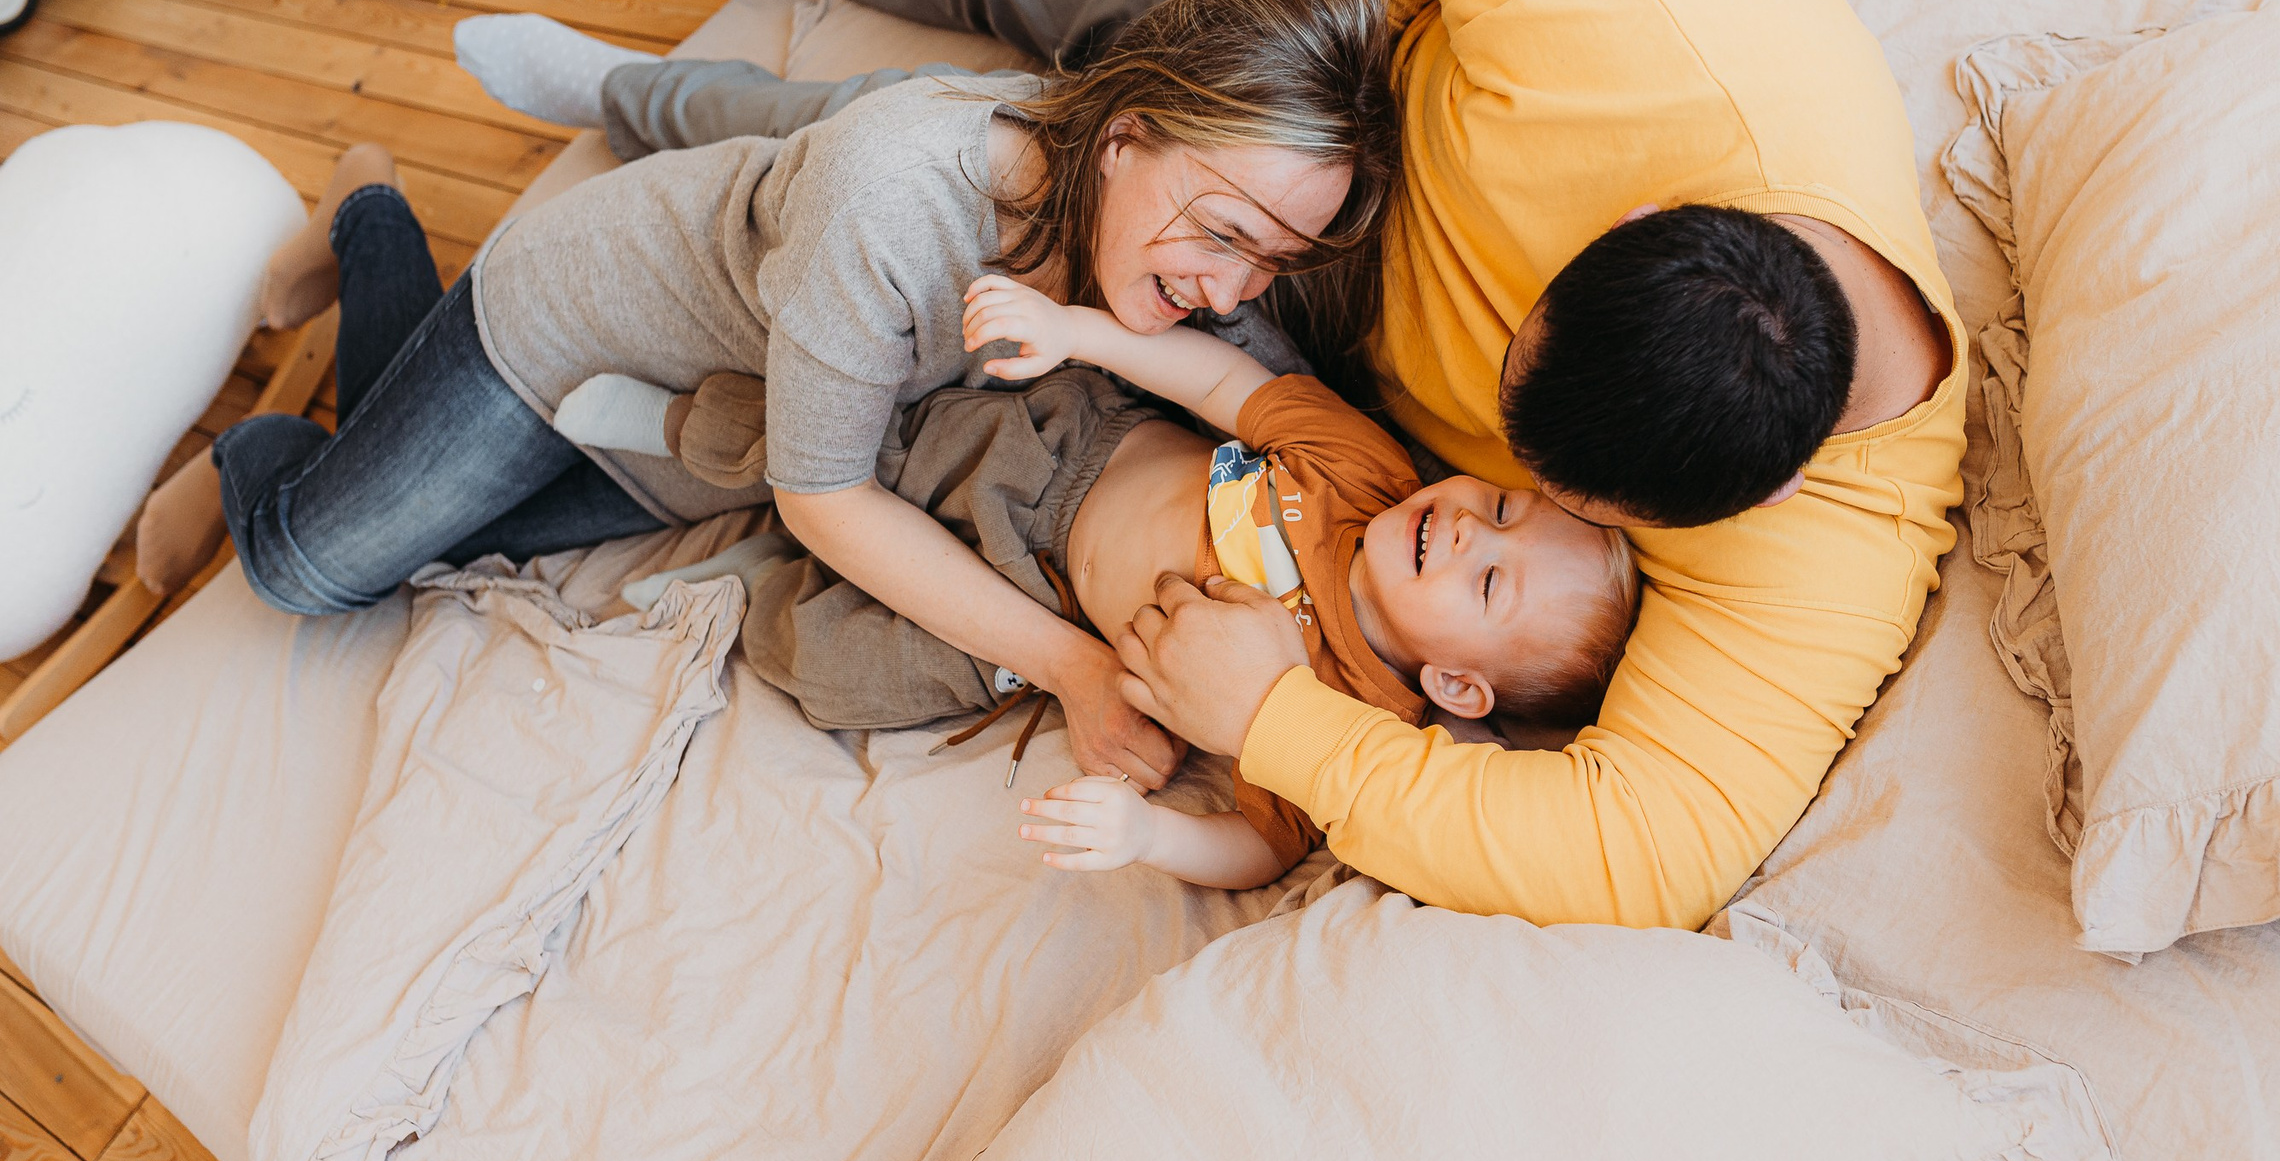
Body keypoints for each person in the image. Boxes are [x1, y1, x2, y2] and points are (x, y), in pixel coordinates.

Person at [458, 0, 1969, 931]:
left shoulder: (1827, 547)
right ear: (1640, 207)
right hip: (1362, 81)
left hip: (1283, 348)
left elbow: (1645, 852)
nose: (1475, 475)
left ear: (1740, 505)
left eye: (1522, 484)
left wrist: (1280, 717)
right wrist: (1289, 103)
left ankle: (640, 106)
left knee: (902, 197)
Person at [133, 0, 1403, 794]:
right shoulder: (898, 200)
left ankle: (367, 363)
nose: (1232, 290)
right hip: (576, 320)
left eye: (1271, 263)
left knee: (458, 544)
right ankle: (361, 240)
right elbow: (823, 497)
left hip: (706, 412)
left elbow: (1283, 399)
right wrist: (1073, 666)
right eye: (1227, 236)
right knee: (312, 568)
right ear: (1125, 137)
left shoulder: (1159, 241)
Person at [578, 271, 1639, 891]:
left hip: (1044, 615)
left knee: (848, 672)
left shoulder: (1353, 718)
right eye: (1496, 507)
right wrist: (1079, 333)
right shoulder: (1367, 472)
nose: (1461, 531)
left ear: (1457, 688)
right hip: (1061, 460)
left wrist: (1150, 836)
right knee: (875, 440)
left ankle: (753, 587)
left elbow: (1263, 846)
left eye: (1488, 584)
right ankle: (685, 432)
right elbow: (1230, 382)